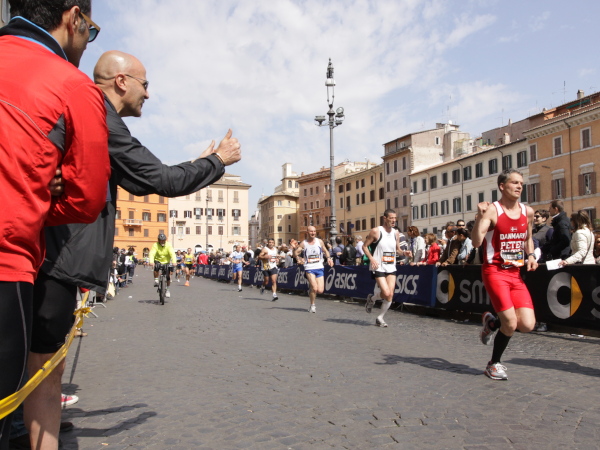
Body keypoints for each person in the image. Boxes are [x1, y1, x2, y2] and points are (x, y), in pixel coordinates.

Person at [24, 49, 242, 449]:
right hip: (55, 255)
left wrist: (200, 164)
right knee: (44, 366)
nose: (149, 94)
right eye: (146, 84)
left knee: (42, 363)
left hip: (53, 252)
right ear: (121, 81)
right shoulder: (97, 115)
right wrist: (217, 160)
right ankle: (31, 429)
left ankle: (30, 425)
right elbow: (161, 180)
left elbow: (143, 181)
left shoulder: (94, 115)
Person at [0, 2, 112, 448]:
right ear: (74, 18)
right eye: (91, 30)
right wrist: (41, 198)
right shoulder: (72, 83)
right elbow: (88, 197)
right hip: (8, 259)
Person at [473, 169, 538, 381]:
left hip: (515, 273)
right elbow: (476, 242)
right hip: (494, 271)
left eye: (521, 183)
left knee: (527, 325)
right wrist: (479, 217)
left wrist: (530, 255)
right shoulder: (493, 210)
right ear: (502, 186)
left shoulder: (527, 211)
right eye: (514, 183)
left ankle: (492, 324)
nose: (519, 186)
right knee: (510, 323)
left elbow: (527, 238)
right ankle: (493, 364)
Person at [363, 210, 412, 327]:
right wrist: (372, 259)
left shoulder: (396, 233)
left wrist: (404, 253)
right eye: (391, 218)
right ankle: (372, 298)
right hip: (378, 266)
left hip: (391, 266)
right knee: (385, 292)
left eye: (395, 218)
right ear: (384, 218)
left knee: (390, 295)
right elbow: (364, 246)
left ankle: (380, 317)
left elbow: (397, 249)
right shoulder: (376, 231)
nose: (394, 220)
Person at [294, 226, 334, 313]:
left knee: (320, 290)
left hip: (319, 267)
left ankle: (310, 290)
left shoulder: (319, 241)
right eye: (311, 231)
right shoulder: (304, 243)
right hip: (309, 268)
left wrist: (329, 258)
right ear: (307, 232)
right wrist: (298, 258)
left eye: (314, 231)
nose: (313, 233)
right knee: (315, 288)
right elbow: (296, 253)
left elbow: (326, 251)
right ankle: (312, 305)